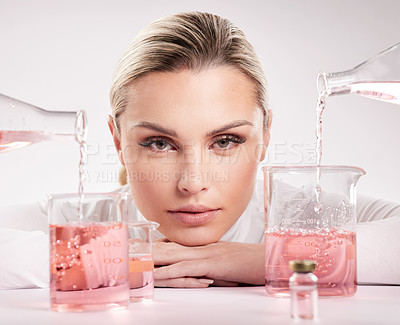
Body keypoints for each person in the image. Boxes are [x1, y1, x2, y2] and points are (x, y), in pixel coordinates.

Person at [1, 11, 400, 290]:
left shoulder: (300, 211)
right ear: (119, 143)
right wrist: (116, 259)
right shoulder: (88, 219)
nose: (193, 183)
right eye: (159, 143)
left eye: (225, 141)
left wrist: (260, 259)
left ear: (265, 135)